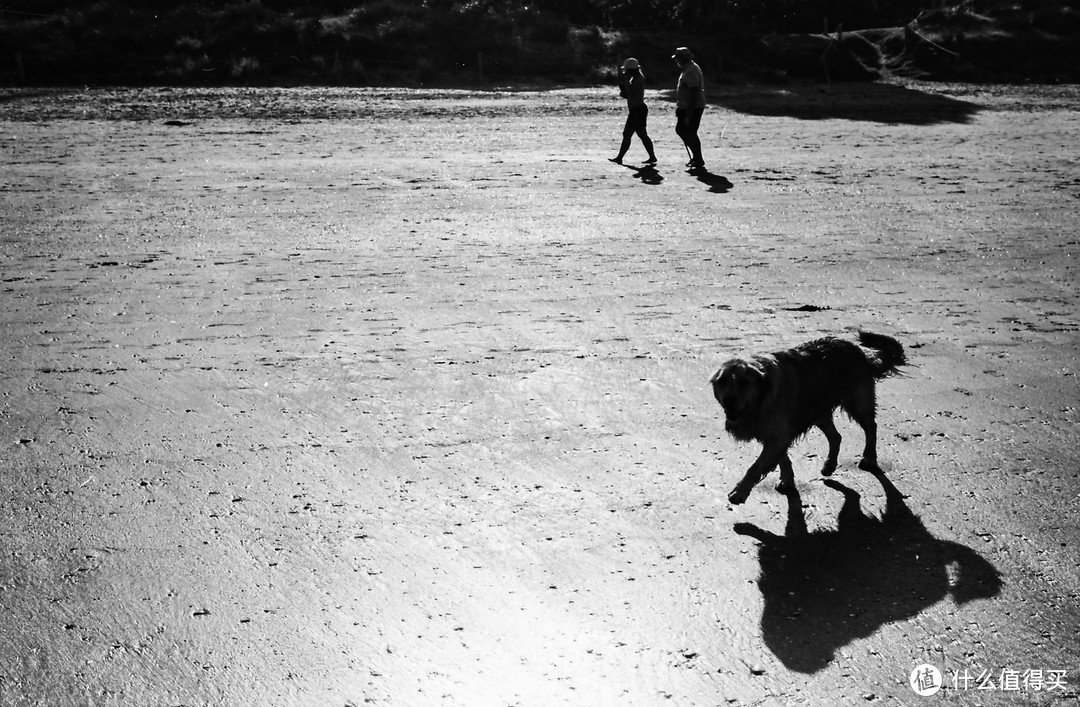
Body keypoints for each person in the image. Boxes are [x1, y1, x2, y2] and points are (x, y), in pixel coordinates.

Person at [609, 58, 657, 165]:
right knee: (641, 134)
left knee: (628, 133)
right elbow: (630, 95)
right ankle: (652, 157)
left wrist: (626, 83)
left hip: (637, 110)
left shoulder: (638, 79)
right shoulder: (636, 79)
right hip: (637, 109)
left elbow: (633, 93)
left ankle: (620, 157)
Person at [673, 46, 706, 170]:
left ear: (681, 58)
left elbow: (694, 92)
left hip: (692, 106)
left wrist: (688, 112)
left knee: (689, 132)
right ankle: (696, 157)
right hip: (687, 105)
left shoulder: (691, 70)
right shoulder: (687, 69)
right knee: (682, 130)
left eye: (677, 58)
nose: (676, 61)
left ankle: (698, 158)